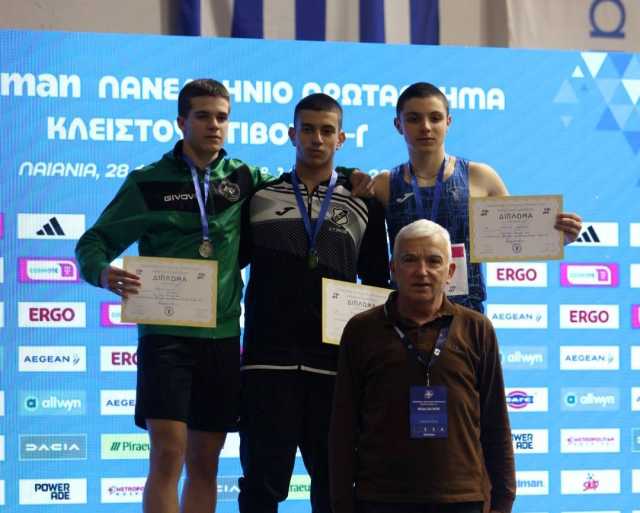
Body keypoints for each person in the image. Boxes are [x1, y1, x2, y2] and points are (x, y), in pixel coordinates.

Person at [74, 79, 370, 513]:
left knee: (204, 462)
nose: (214, 125)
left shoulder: (246, 179)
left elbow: (306, 176)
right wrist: (101, 272)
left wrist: (350, 175)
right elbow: (93, 241)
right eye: (203, 116)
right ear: (181, 122)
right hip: (166, 334)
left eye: (222, 117)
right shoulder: (148, 181)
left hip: (223, 338)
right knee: (168, 452)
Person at [238, 93, 390, 513]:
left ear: (341, 138)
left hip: (334, 368)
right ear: (292, 134)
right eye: (307, 129)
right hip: (267, 363)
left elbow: (377, 283)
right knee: (261, 485)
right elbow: (230, 265)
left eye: (326, 131)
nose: (316, 139)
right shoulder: (261, 196)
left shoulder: (363, 201)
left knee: (335, 485)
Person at [329, 219, 516, 513]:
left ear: (450, 271)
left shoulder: (477, 328)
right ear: (393, 269)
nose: (422, 271)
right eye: (410, 260)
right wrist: (341, 503)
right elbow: (343, 425)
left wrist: (503, 500)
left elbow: (496, 421)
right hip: (380, 499)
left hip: (462, 498)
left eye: (434, 261)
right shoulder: (361, 329)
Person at [373, 81, 582, 312]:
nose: (426, 127)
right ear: (398, 125)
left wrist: (557, 236)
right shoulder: (384, 184)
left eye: (435, 118)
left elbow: (517, 236)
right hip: (404, 315)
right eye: (414, 119)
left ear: (448, 122)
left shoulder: (480, 176)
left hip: (466, 314)